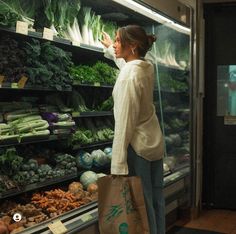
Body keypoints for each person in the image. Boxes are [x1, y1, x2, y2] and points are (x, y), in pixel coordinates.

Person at [101, 25, 165, 234]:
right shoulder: (146, 67)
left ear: (133, 46)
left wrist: (117, 166)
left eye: (118, 41)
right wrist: (111, 49)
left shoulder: (129, 76)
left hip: (136, 148)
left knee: (141, 208)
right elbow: (128, 65)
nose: (115, 44)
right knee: (155, 201)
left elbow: (124, 124)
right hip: (153, 144)